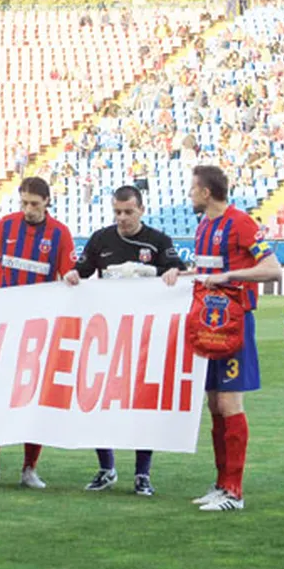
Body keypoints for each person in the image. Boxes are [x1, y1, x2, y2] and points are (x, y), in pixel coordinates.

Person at [163, 166, 280, 511]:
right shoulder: (204, 226)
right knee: (215, 405)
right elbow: (208, 273)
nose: (189, 194)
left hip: (234, 324)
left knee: (230, 404)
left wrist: (230, 275)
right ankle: (221, 483)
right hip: (209, 326)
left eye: (193, 189)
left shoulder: (240, 222)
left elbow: (272, 269)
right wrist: (182, 273)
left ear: (206, 192)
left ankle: (234, 491)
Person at [65, 184, 187, 496]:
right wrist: (73, 275)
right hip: (108, 334)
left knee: (142, 405)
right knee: (99, 400)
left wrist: (170, 272)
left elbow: (178, 271)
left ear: (141, 210)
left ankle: (142, 474)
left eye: (128, 212)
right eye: (117, 212)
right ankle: (106, 468)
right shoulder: (101, 239)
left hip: (145, 335)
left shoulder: (158, 240)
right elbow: (81, 271)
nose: (122, 218)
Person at [0, 177, 75, 490]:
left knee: (33, 398)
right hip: (3, 324)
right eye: (24, 203)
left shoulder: (59, 234)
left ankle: (30, 469)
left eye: (34, 204)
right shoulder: (6, 225)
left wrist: (72, 279)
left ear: (47, 202)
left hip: (38, 329)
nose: (28, 209)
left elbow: (66, 274)